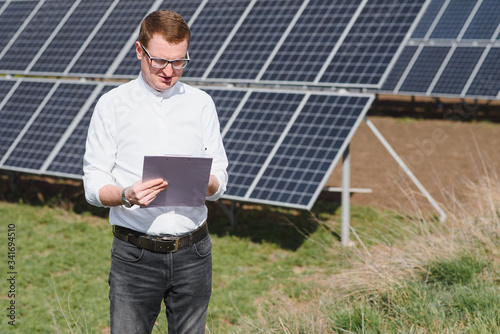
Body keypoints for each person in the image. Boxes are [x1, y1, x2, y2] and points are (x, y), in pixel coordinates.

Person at [83, 10, 228, 334]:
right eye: (160, 61)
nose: (169, 71)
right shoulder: (112, 105)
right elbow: (94, 181)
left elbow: (220, 172)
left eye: (179, 62)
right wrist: (124, 195)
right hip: (135, 256)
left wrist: (209, 183)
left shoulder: (201, 103)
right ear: (139, 51)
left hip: (194, 252)